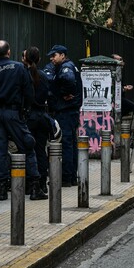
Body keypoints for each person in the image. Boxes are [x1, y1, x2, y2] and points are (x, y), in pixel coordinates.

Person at [0, 41, 47, 201]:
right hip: (13, 113)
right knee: (27, 146)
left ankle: (3, 189)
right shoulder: (18, 68)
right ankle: (35, 187)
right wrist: (24, 111)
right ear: (9, 52)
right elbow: (29, 92)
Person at [46, 44, 83, 187]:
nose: (51, 58)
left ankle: (67, 177)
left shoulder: (66, 67)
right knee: (71, 143)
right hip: (70, 111)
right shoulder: (68, 66)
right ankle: (72, 176)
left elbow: (68, 79)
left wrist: (63, 93)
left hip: (66, 111)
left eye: (54, 55)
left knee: (66, 143)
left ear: (62, 55)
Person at [22, 46, 53, 194]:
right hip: (42, 117)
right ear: (39, 59)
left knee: (28, 151)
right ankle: (42, 183)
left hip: (28, 118)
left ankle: (31, 183)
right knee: (40, 150)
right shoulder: (44, 76)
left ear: (24, 59)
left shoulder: (23, 75)